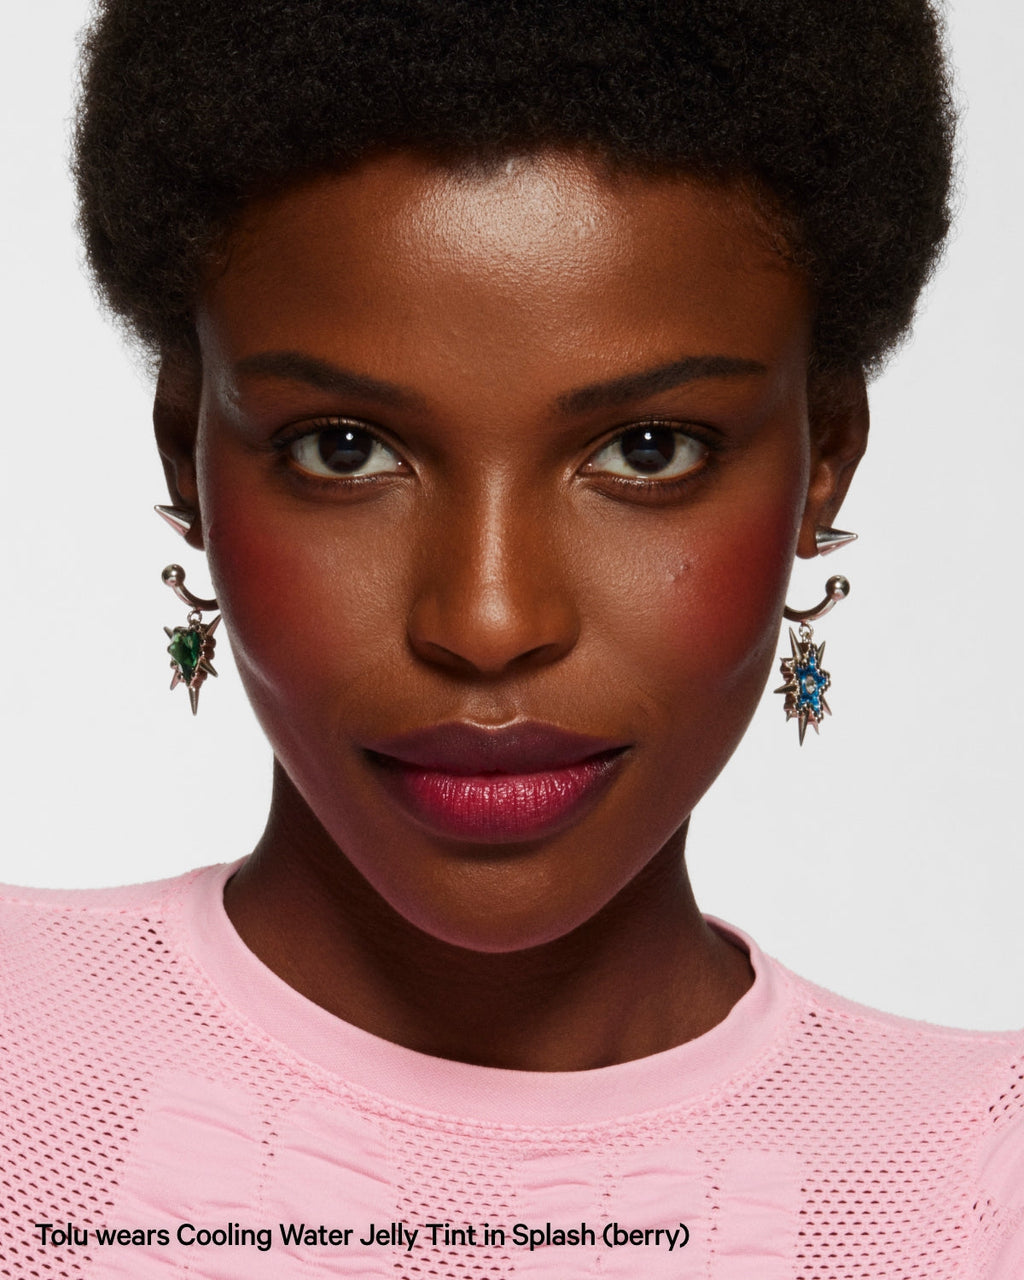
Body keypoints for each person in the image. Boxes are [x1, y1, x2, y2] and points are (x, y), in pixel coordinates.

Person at [2, 1, 1021, 1276]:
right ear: (186, 454)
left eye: (646, 450)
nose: (488, 622)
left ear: (826, 459)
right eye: (344, 449)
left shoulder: (977, 1185)